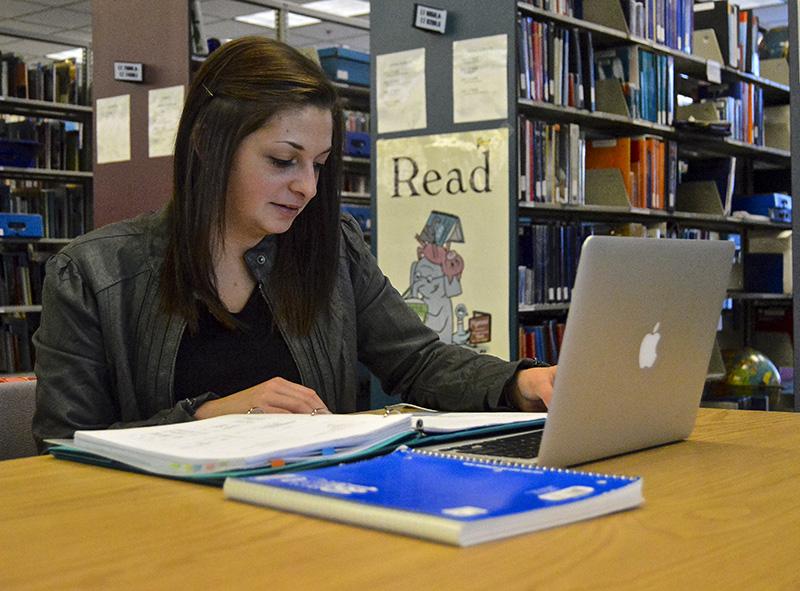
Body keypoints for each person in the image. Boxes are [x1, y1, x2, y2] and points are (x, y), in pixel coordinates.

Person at [31, 37, 556, 450]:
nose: (307, 186)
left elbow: (417, 362)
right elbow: (61, 446)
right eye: (284, 160)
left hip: (312, 511)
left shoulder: (333, 248)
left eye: (320, 164)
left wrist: (520, 384)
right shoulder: (91, 274)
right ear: (206, 144)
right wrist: (203, 417)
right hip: (160, 536)